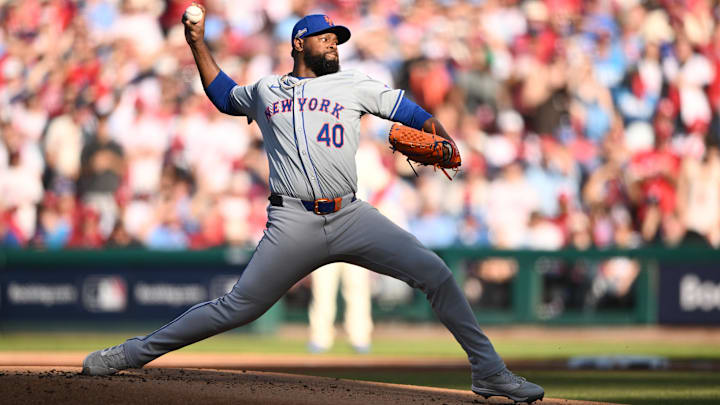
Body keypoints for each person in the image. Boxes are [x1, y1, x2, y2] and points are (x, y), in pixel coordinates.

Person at [81, 7, 544, 403]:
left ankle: (489, 372)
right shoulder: (265, 91)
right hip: (291, 221)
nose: (334, 45)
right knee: (237, 307)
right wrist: (196, 43)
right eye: (326, 38)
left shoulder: (353, 85)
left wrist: (437, 130)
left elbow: (409, 113)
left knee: (437, 274)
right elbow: (223, 95)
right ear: (299, 43)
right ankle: (131, 353)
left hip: (351, 215)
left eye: (337, 40)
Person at [308, 262, 373, 354]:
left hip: (354, 249)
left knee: (358, 290)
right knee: (322, 292)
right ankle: (319, 338)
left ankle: (360, 338)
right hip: (325, 248)